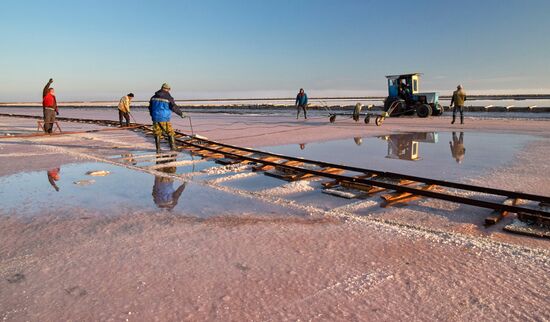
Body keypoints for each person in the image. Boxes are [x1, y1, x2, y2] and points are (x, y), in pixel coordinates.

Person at [148, 83, 186, 153]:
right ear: (167, 89)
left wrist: (153, 115)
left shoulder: (153, 97)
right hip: (164, 118)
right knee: (170, 132)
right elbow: (173, 107)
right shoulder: (168, 97)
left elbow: (150, 108)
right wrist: (181, 114)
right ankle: (173, 147)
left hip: (155, 117)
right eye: (169, 89)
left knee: (157, 132)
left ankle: (158, 149)